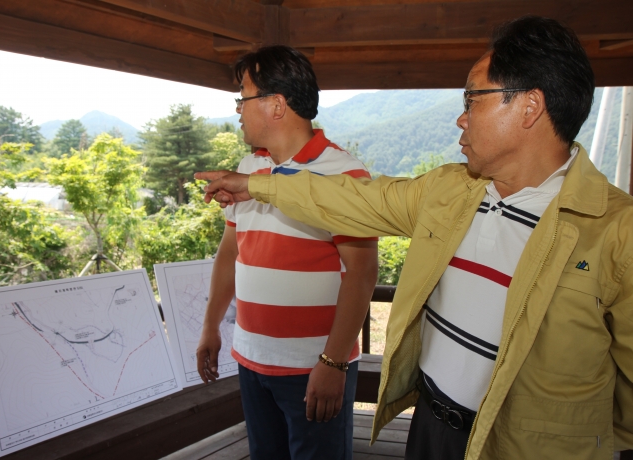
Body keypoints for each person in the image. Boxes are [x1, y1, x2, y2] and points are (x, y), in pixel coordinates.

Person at [196, 16, 633, 460]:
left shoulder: (617, 232)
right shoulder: (449, 191)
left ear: (529, 106)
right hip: (430, 426)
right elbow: (353, 199)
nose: (461, 118)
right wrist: (255, 185)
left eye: (472, 99)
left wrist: (568, 437)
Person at [195, 45, 378, 460]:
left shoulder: (343, 174)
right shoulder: (248, 168)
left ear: (276, 105)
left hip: (313, 367)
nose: (237, 110)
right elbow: (230, 253)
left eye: (243, 97)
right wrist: (210, 326)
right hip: (251, 359)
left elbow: (362, 273)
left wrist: (333, 363)